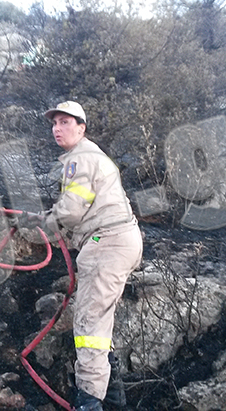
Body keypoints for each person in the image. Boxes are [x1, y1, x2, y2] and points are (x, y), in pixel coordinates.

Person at [41, 101, 143, 410]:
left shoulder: (81, 158)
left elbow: (72, 210)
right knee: (100, 322)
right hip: (120, 241)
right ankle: (114, 399)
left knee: (89, 326)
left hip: (107, 244)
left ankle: (89, 401)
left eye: (65, 122)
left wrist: (44, 222)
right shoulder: (92, 155)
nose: (57, 128)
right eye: (54, 123)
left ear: (81, 127)